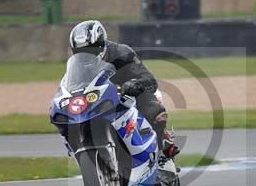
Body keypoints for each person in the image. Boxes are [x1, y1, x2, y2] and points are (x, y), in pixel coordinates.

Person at [69, 19, 180, 159]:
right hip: (99, 100)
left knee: (152, 109)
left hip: (129, 95)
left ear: (101, 45)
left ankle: (161, 145)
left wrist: (136, 84)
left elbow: (149, 79)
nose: (86, 55)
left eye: (90, 50)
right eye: (81, 51)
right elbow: (71, 86)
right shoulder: (77, 65)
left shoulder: (121, 52)